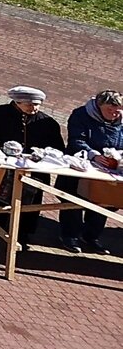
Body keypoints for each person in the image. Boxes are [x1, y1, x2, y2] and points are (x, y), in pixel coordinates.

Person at [0, 86, 63, 245]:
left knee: (32, 200)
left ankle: (24, 231)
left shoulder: (48, 123)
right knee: (1, 194)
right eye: (29, 105)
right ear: (17, 102)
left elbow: (58, 148)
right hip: (6, 166)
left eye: (37, 105)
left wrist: (44, 154)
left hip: (36, 170)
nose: (34, 108)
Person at [62, 90, 123, 253]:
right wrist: (93, 155)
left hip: (109, 169)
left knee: (103, 201)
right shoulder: (81, 115)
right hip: (81, 163)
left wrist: (118, 156)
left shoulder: (121, 120)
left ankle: (90, 236)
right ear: (99, 106)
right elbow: (76, 139)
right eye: (109, 110)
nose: (114, 114)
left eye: (118, 110)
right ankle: (69, 235)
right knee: (73, 199)